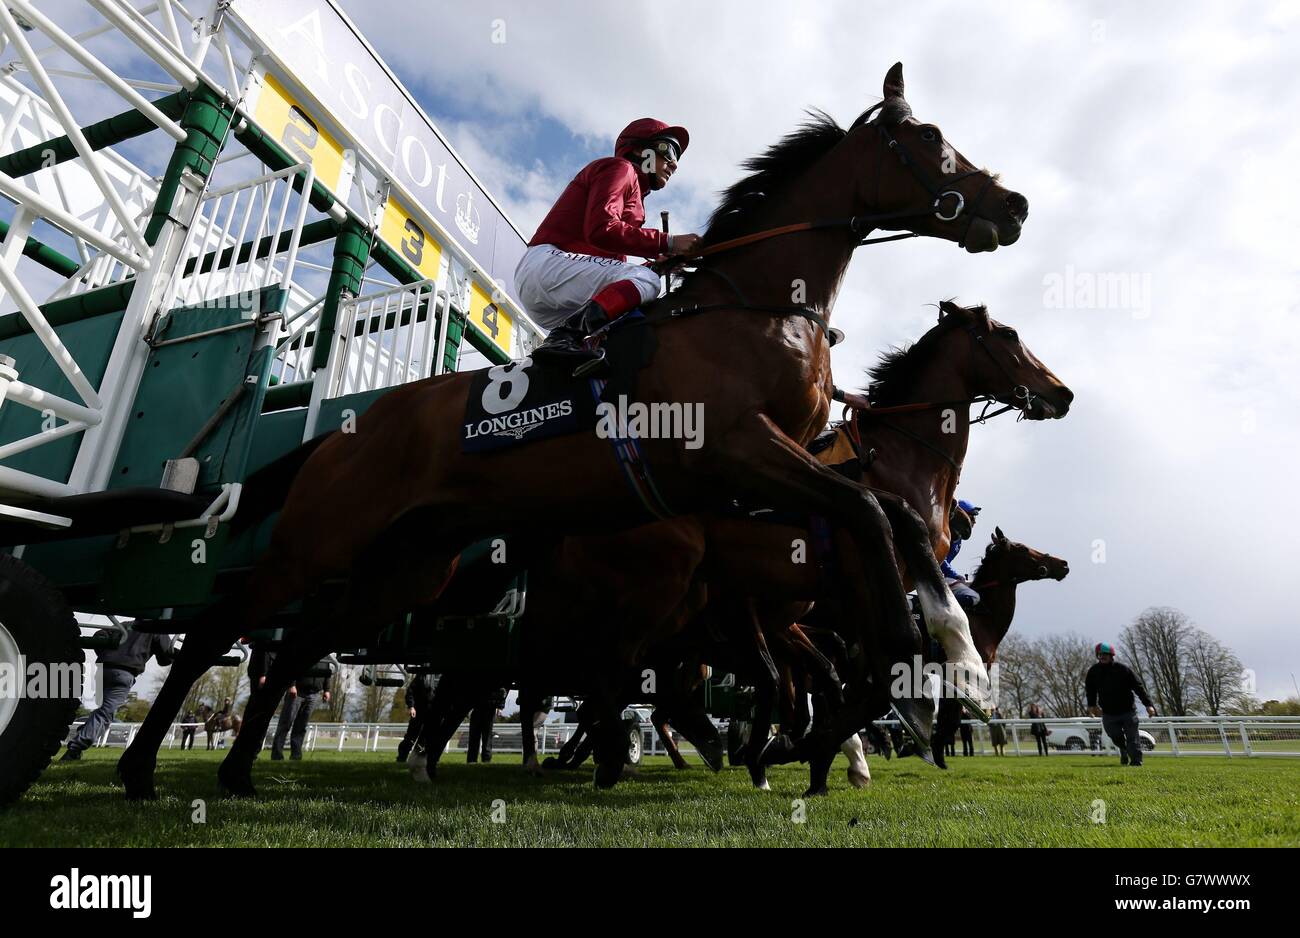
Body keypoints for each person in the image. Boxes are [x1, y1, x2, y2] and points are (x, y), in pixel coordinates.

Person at [514, 118, 702, 372]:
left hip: (552, 300)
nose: (674, 163)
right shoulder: (620, 168)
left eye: (677, 156)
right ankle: (563, 339)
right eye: (668, 150)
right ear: (639, 150)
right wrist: (667, 242)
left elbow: (612, 268)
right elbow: (601, 229)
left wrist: (660, 265)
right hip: (546, 266)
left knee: (633, 312)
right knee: (647, 282)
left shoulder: (635, 195)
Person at [61, 629, 174, 761]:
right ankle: (75, 748)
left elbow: (99, 635)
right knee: (105, 714)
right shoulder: (157, 629)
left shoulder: (123, 626)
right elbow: (165, 659)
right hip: (124, 673)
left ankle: (80, 739)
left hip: (104, 670)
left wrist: (108, 654)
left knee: (101, 711)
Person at [1086, 642, 1157, 766]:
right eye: (1100, 654)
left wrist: (1148, 705)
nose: (1102, 656)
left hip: (1128, 711)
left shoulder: (1123, 669)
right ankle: (1123, 749)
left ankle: (1136, 761)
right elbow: (1090, 691)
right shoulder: (1093, 672)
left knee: (1132, 737)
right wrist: (1091, 706)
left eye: (1105, 654)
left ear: (1111, 655)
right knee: (1115, 736)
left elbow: (1138, 687)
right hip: (1108, 713)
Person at [271, 660, 333, 761]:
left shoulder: (325, 657)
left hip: (314, 694)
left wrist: (327, 689)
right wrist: (291, 685)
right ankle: (277, 755)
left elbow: (327, 672)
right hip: (297, 692)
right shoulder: (303, 649)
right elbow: (292, 667)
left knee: (301, 726)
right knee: (285, 723)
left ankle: (296, 756)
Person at [942, 499, 982, 610]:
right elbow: (939, 559)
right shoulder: (948, 532)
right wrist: (955, 575)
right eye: (972, 517)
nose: (974, 521)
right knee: (973, 596)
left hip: (944, 575)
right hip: (937, 575)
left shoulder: (958, 538)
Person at [396, 672, 438, 763]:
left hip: (432, 714)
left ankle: (416, 760)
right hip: (419, 712)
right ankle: (402, 757)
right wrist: (411, 707)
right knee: (411, 737)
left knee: (424, 740)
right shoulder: (421, 677)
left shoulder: (440, 678)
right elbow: (410, 692)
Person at [466, 686, 508, 764]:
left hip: (486, 706)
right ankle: (482, 759)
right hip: (483, 706)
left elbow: (502, 690)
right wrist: (500, 706)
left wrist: (500, 706)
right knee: (483, 736)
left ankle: (477, 759)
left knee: (482, 736)